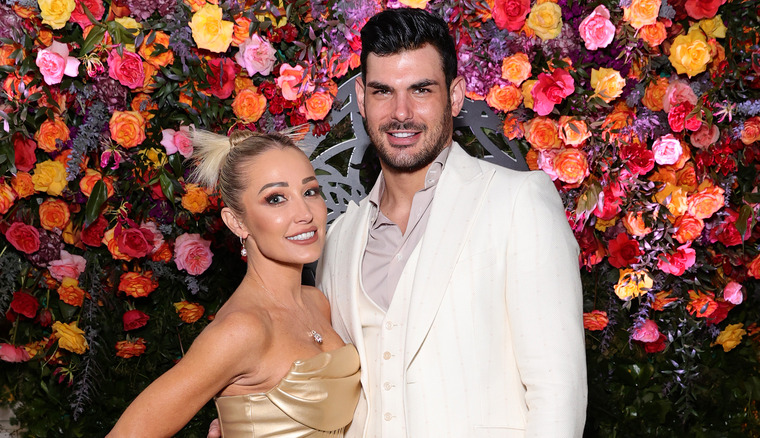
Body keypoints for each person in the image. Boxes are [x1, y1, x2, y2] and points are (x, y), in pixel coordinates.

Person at [315, 8, 587, 437]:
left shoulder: (517, 201)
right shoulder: (338, 240)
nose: (400, 112)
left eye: (421, 90)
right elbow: (334, 393)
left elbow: (557, 392)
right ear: (363, 101)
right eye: (383, 92)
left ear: (455, 96)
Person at [109, 130, 360, 437]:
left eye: (310, 192)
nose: (305, 213)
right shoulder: (241, 330)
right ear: (236, 222)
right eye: (276, 199)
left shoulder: (317, 302)